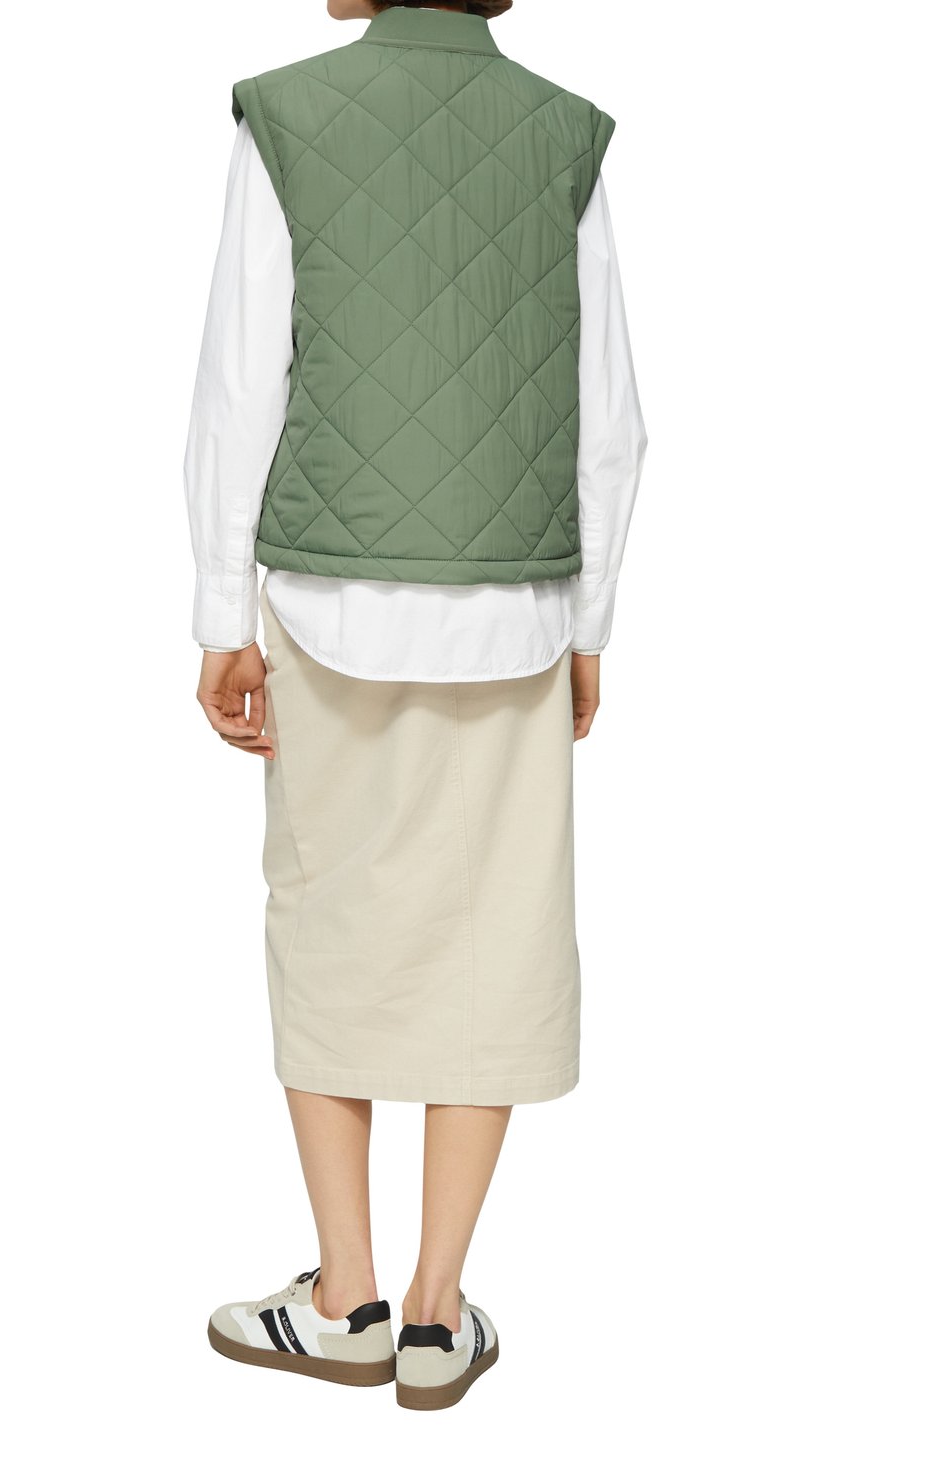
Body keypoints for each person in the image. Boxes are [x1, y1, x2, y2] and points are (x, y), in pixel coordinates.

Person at [183, 0, 647, 1411]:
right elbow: (611, 420)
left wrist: (220, 614)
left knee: (329, 920)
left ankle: (347, 1298)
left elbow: (240, 383)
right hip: (515, 610)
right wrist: (587, 623)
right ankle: (440, 1314)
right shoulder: (564, 134)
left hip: (329, 604)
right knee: (493, 935)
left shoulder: (287, 115)